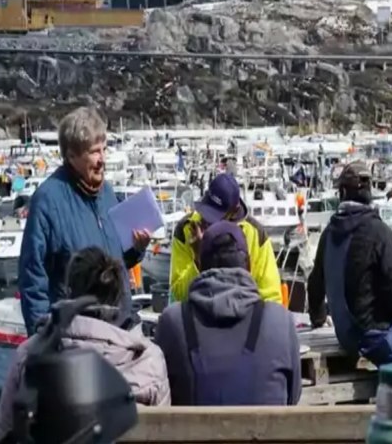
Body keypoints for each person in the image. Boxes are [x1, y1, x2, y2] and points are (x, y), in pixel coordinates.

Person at [0, 247, 170, 444]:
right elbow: (165, 433)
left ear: (68, 292)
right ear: (118, 296)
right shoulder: (149, 358)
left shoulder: (30, 354)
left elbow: (0, 435)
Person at [18, 107, 150, 335]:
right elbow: (32, 278)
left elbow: (114, 264)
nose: (102, 160)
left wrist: (136, 249)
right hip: (77, 335)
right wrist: (42, 340)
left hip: (121, 327)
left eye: (104, 149)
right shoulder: (48, 201)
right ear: (71, 156)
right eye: (94, 152)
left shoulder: (107, 193)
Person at [156, 221, 301, 405]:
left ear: (199, 265)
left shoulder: (172, 322)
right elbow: (293, 396)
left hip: (195, 433)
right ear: (248, 265)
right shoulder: (281, 321)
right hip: (264, 433)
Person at [308, 162, 392, 366]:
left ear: (342, 192)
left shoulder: (328, 233)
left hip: (344, 335)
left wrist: (318, 319)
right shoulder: (379, 231)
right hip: (372, 337)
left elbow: (315, 285)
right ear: (370, 192)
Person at [170, 172, 282, 303]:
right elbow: (179, 294)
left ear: (234, 211)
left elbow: (271, 296)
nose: (207, 221)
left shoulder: (255, 234)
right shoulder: (186, 229)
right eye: (206, 212)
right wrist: (198, 258)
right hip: (199, 315)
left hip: (244, 313)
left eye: (215, 217)